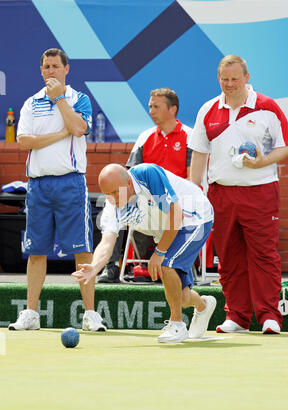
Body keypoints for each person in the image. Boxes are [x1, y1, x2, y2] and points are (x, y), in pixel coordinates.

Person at [189, 54, 288, 335]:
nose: (230, 84)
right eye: (224, 79)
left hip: (260, 192)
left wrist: (262, 161)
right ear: (218, 79)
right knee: (228, 256)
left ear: (247, 78)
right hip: (220, 193)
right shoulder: (208, 109)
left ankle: (269, 316)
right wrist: (193, 194)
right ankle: (236, 316)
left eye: (235, 79)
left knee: (263, 255)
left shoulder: (267, 106)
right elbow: (199, 156)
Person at [8, 48, 106, 332]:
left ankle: (90, 313)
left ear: (66, 69)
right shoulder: (31, 102)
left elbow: (78, 128)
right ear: (41, 70)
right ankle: (31, 313)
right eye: (46, 66)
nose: (50, 71)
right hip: (38, 184)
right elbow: (24, 141)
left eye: (55, 66)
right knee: (36, 251)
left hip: (70, 183)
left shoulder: (79, 99)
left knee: (82, 250)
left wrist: (60, 99)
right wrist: (58, 134)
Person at [73, 163, 216, 343]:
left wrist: (160, 251)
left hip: (195, 217)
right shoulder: (114, 206)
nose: (113, 199)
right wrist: (94, 267)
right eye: (108, 194)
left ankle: (177, 325)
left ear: (129, 184)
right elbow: (107, 242)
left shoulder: (148, 174)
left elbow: (176, 213)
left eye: (116, 192)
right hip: (168, 229)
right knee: (182, 297)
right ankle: (203, 305)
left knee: (166, 264)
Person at [97, 88, 192, 283]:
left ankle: (171, 265)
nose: (151, 111)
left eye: (156, 107)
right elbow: (126, 177)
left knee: (157, 209)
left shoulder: (190, 136)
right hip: (146, 199)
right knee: (117, 203)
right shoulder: (144, 137)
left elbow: (193, 180)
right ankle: (112, 266)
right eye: (150, 107)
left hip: (177, 200)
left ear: (173, 109)